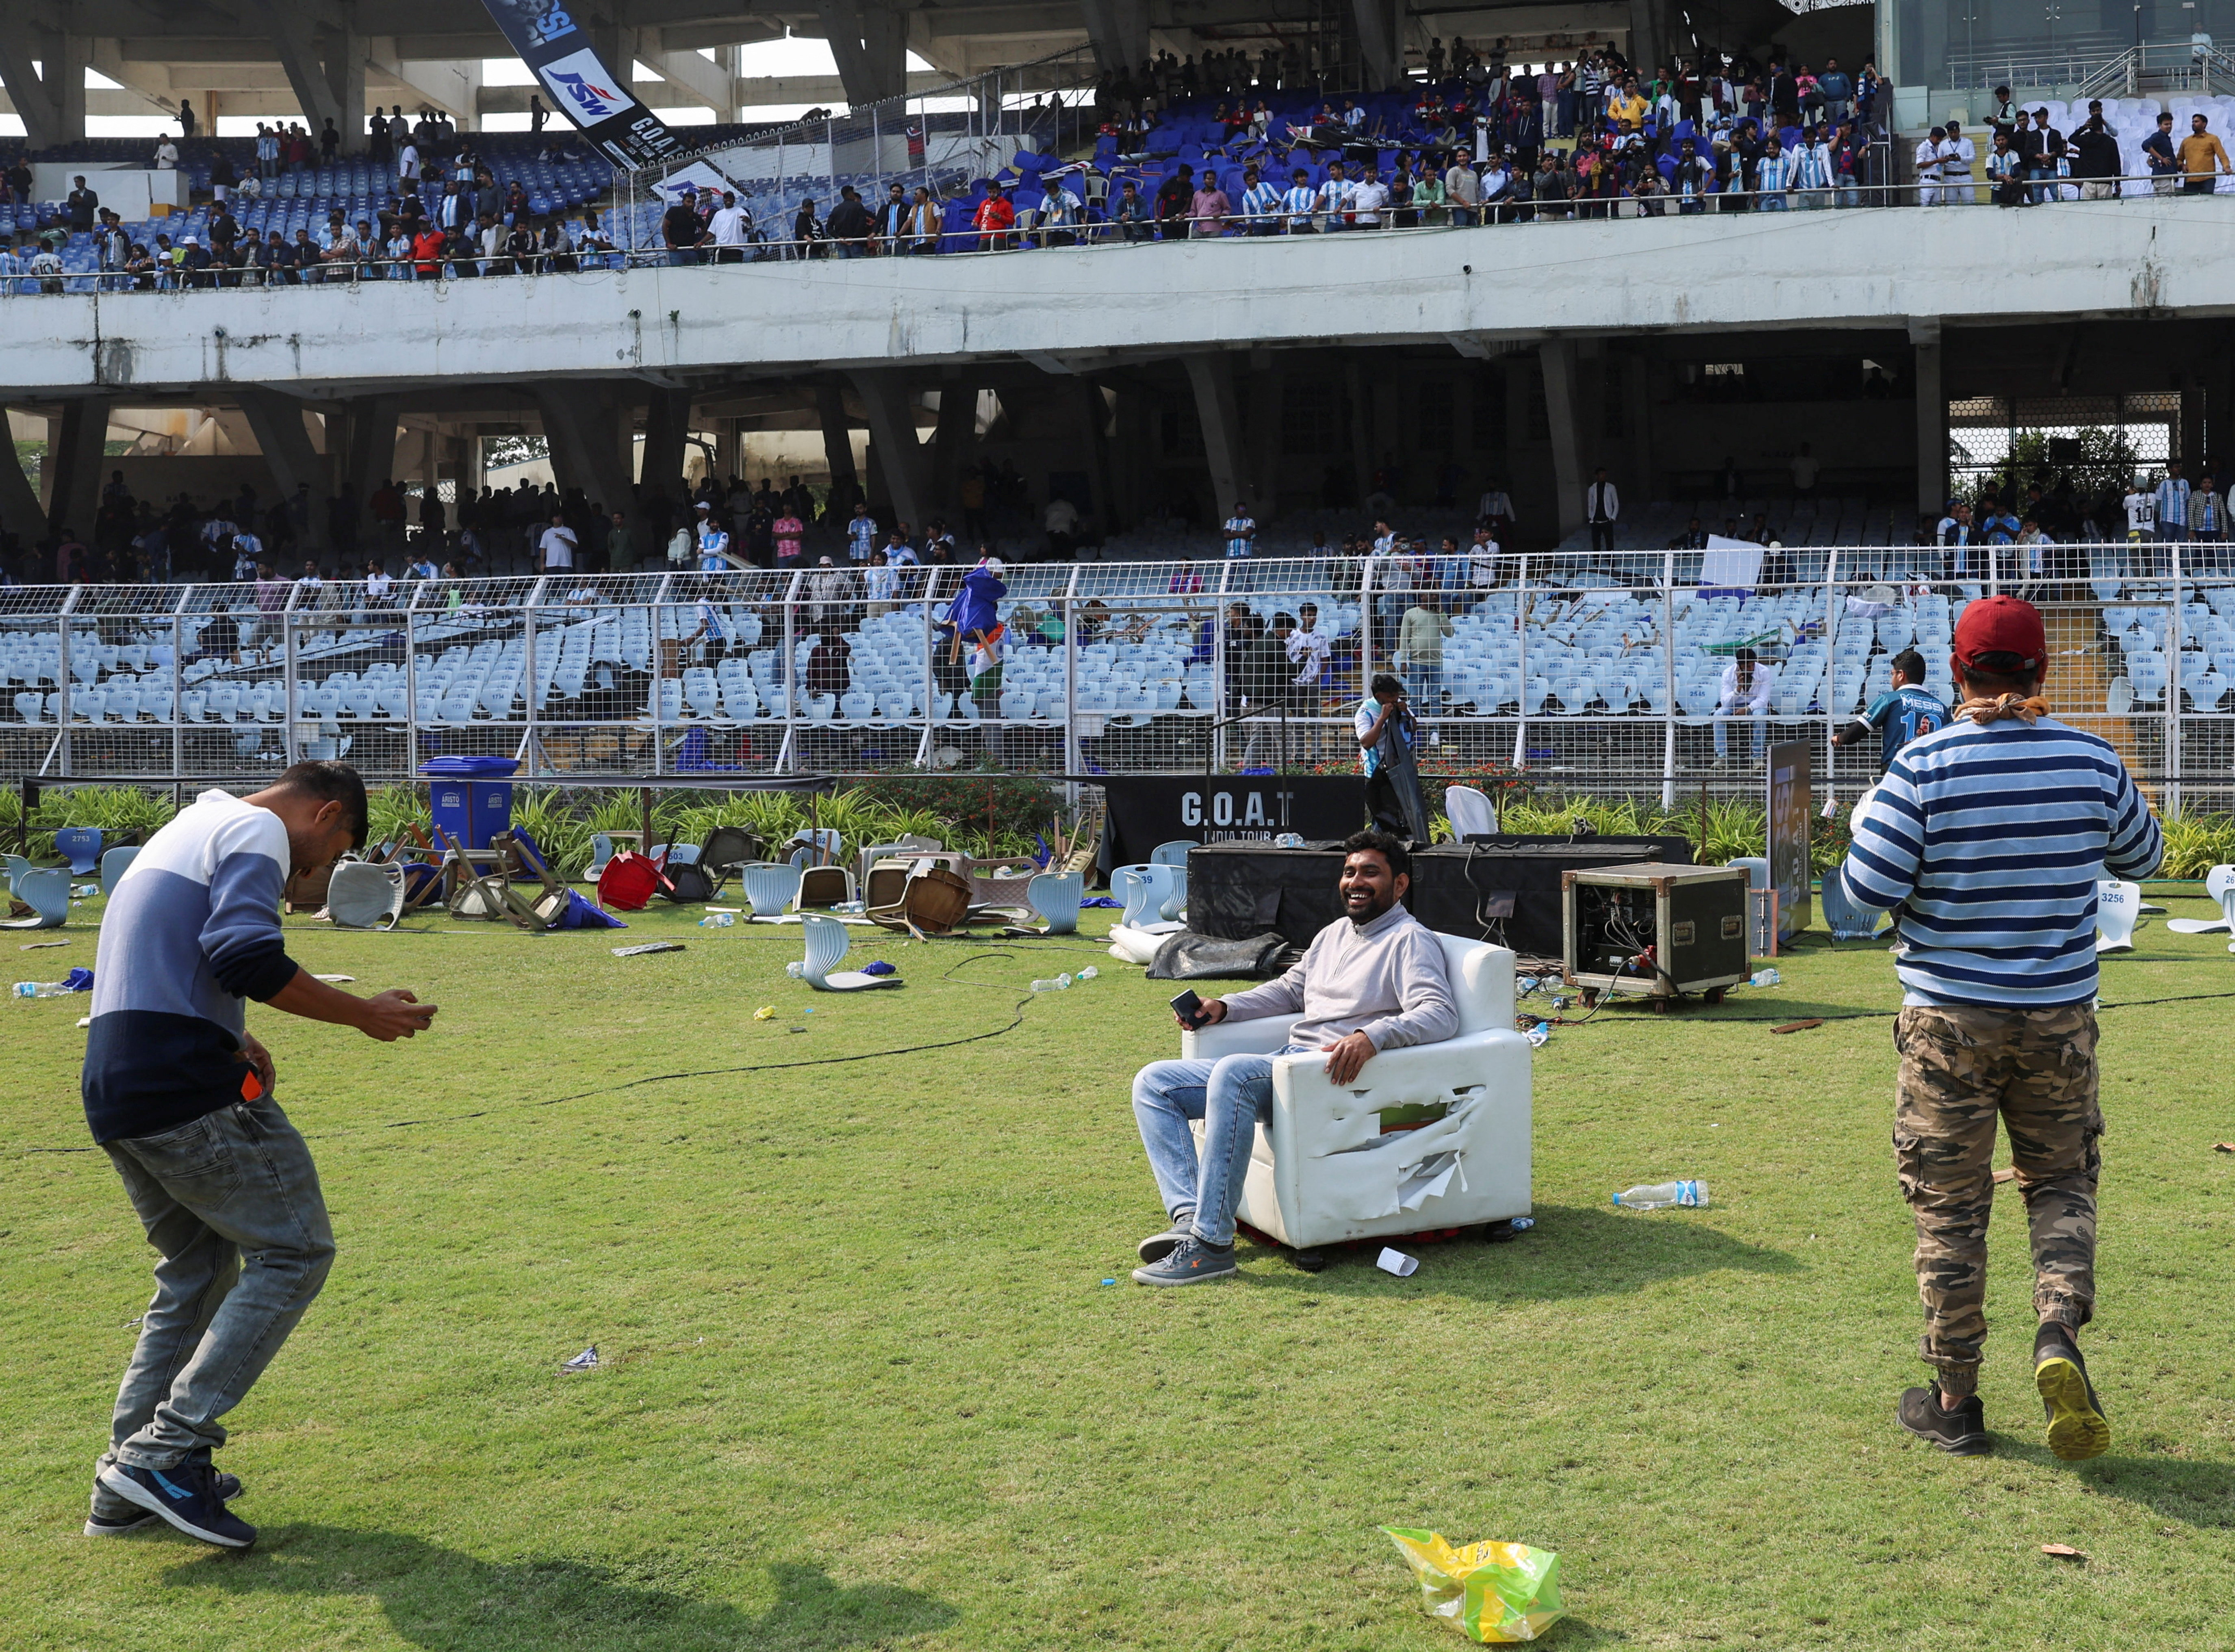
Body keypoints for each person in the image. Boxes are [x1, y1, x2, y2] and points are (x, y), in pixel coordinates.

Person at [81, 763, 437, 1547]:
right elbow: (244, 953)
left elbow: (160, 954)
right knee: (297, 1249)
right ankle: (164, 1454)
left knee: (200, 1270)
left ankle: (126, 1480)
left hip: (118, 1083)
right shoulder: (256, 830)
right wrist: (360, 1014)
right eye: (323, 858)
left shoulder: (184, 828)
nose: (302, 880)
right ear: (327, 814)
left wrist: (232, 1029)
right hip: (185, 1089)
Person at [1840, 596, 2160, 1460]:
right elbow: (2145, 858)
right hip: (2059, 1018)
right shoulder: (2090, 759)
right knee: (2059, 1183)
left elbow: (1861, 894)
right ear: (2041, 671)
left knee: (1949, 1208)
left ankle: (1954, 1400)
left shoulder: (1920, 765)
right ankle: (2056, 1331)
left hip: (1947, 1022)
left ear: (1957, 671)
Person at [1126, 830, 1457, 1285]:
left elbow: (1439, 1013)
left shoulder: (1409, 940)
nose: (1355, 881)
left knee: (1234, 1073)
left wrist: (1372, 1036)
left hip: (1330, 1076)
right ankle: (1189, 1218)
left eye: (1370, 873)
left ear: (1399, 885)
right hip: (1287, 1064)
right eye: (1349, 872)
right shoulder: (1334, 933)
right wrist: (1225, 1007)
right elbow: (1290, 990)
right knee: (1154, 1083)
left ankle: (1212, 1246)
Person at [1831, 648, 1945, 769]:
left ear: (1901, 675)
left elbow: (1861, 729)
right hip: (1931, 773)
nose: (1892, 679)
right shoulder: (1943, 708)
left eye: (1893, 674)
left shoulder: (1890, 700)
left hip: (1898, 770)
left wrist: (1841, 738)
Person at [1354, 672, 1427, 835]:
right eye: (1391, 696)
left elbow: (1414, 728)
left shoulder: (1399, 703)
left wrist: (1407, 713)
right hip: (1378, 774)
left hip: (1402, 770)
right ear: (1379, 696)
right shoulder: (1365, 712)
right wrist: (1382, 718)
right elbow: (1366, 742)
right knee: (1383, 819)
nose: (1395, 699)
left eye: (1397, 695)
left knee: (1405, 816)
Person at [1713, 645, 1775, 767]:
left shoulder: (1764, 672)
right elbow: (1725, 702)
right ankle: (1722, 757)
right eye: (1747, 666)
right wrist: (1738, 688)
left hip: (1755, 706)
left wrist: (1748, 709)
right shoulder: (1728, 673)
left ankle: (1758, 757)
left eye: (1753, 665)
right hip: (1734, 705)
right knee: (1718, 715)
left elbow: (1763, 700)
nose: (1751, 668)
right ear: (1740, 665)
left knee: (1761, 716)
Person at [2178, 111, 2231, 194]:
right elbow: (2179, 159)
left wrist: (2226, 167)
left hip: (2207, 179)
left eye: (2197, 122)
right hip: (2190, 179)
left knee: (2207, 203)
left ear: (2204, 124)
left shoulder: (2213, 139)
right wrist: (2182, 165)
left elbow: (2222, 156)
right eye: (2193, 122)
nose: (2194, 124)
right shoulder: (2186, 141)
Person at [1585, 467, 1619, 555]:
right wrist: (1590, 517)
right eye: (1601, 474)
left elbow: (1616, 503)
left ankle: (1611, 564)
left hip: (1607, 520)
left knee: (1610, 544)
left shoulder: (1611, 488)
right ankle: (1596, 565)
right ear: (1597, 476)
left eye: (1604, 474)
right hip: (1596, 520)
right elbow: (1590, 504)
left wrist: (1613, 517)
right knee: (1596, 545)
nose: (1603, 476)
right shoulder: (1592, 489)